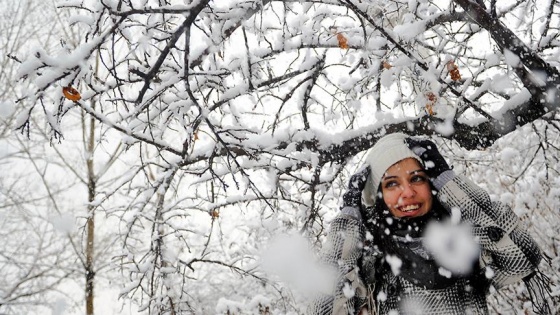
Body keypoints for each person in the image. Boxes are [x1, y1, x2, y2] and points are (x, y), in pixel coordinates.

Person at [308, 132, 550, 315]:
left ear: (432, 184)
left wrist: (449, 181)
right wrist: (348, 221)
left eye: (417, 179)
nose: (407, 193)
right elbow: (323, 308)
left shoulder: (466, 239)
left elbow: (523, 257)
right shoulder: (368, 257)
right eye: (391, 183)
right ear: (378, 194)